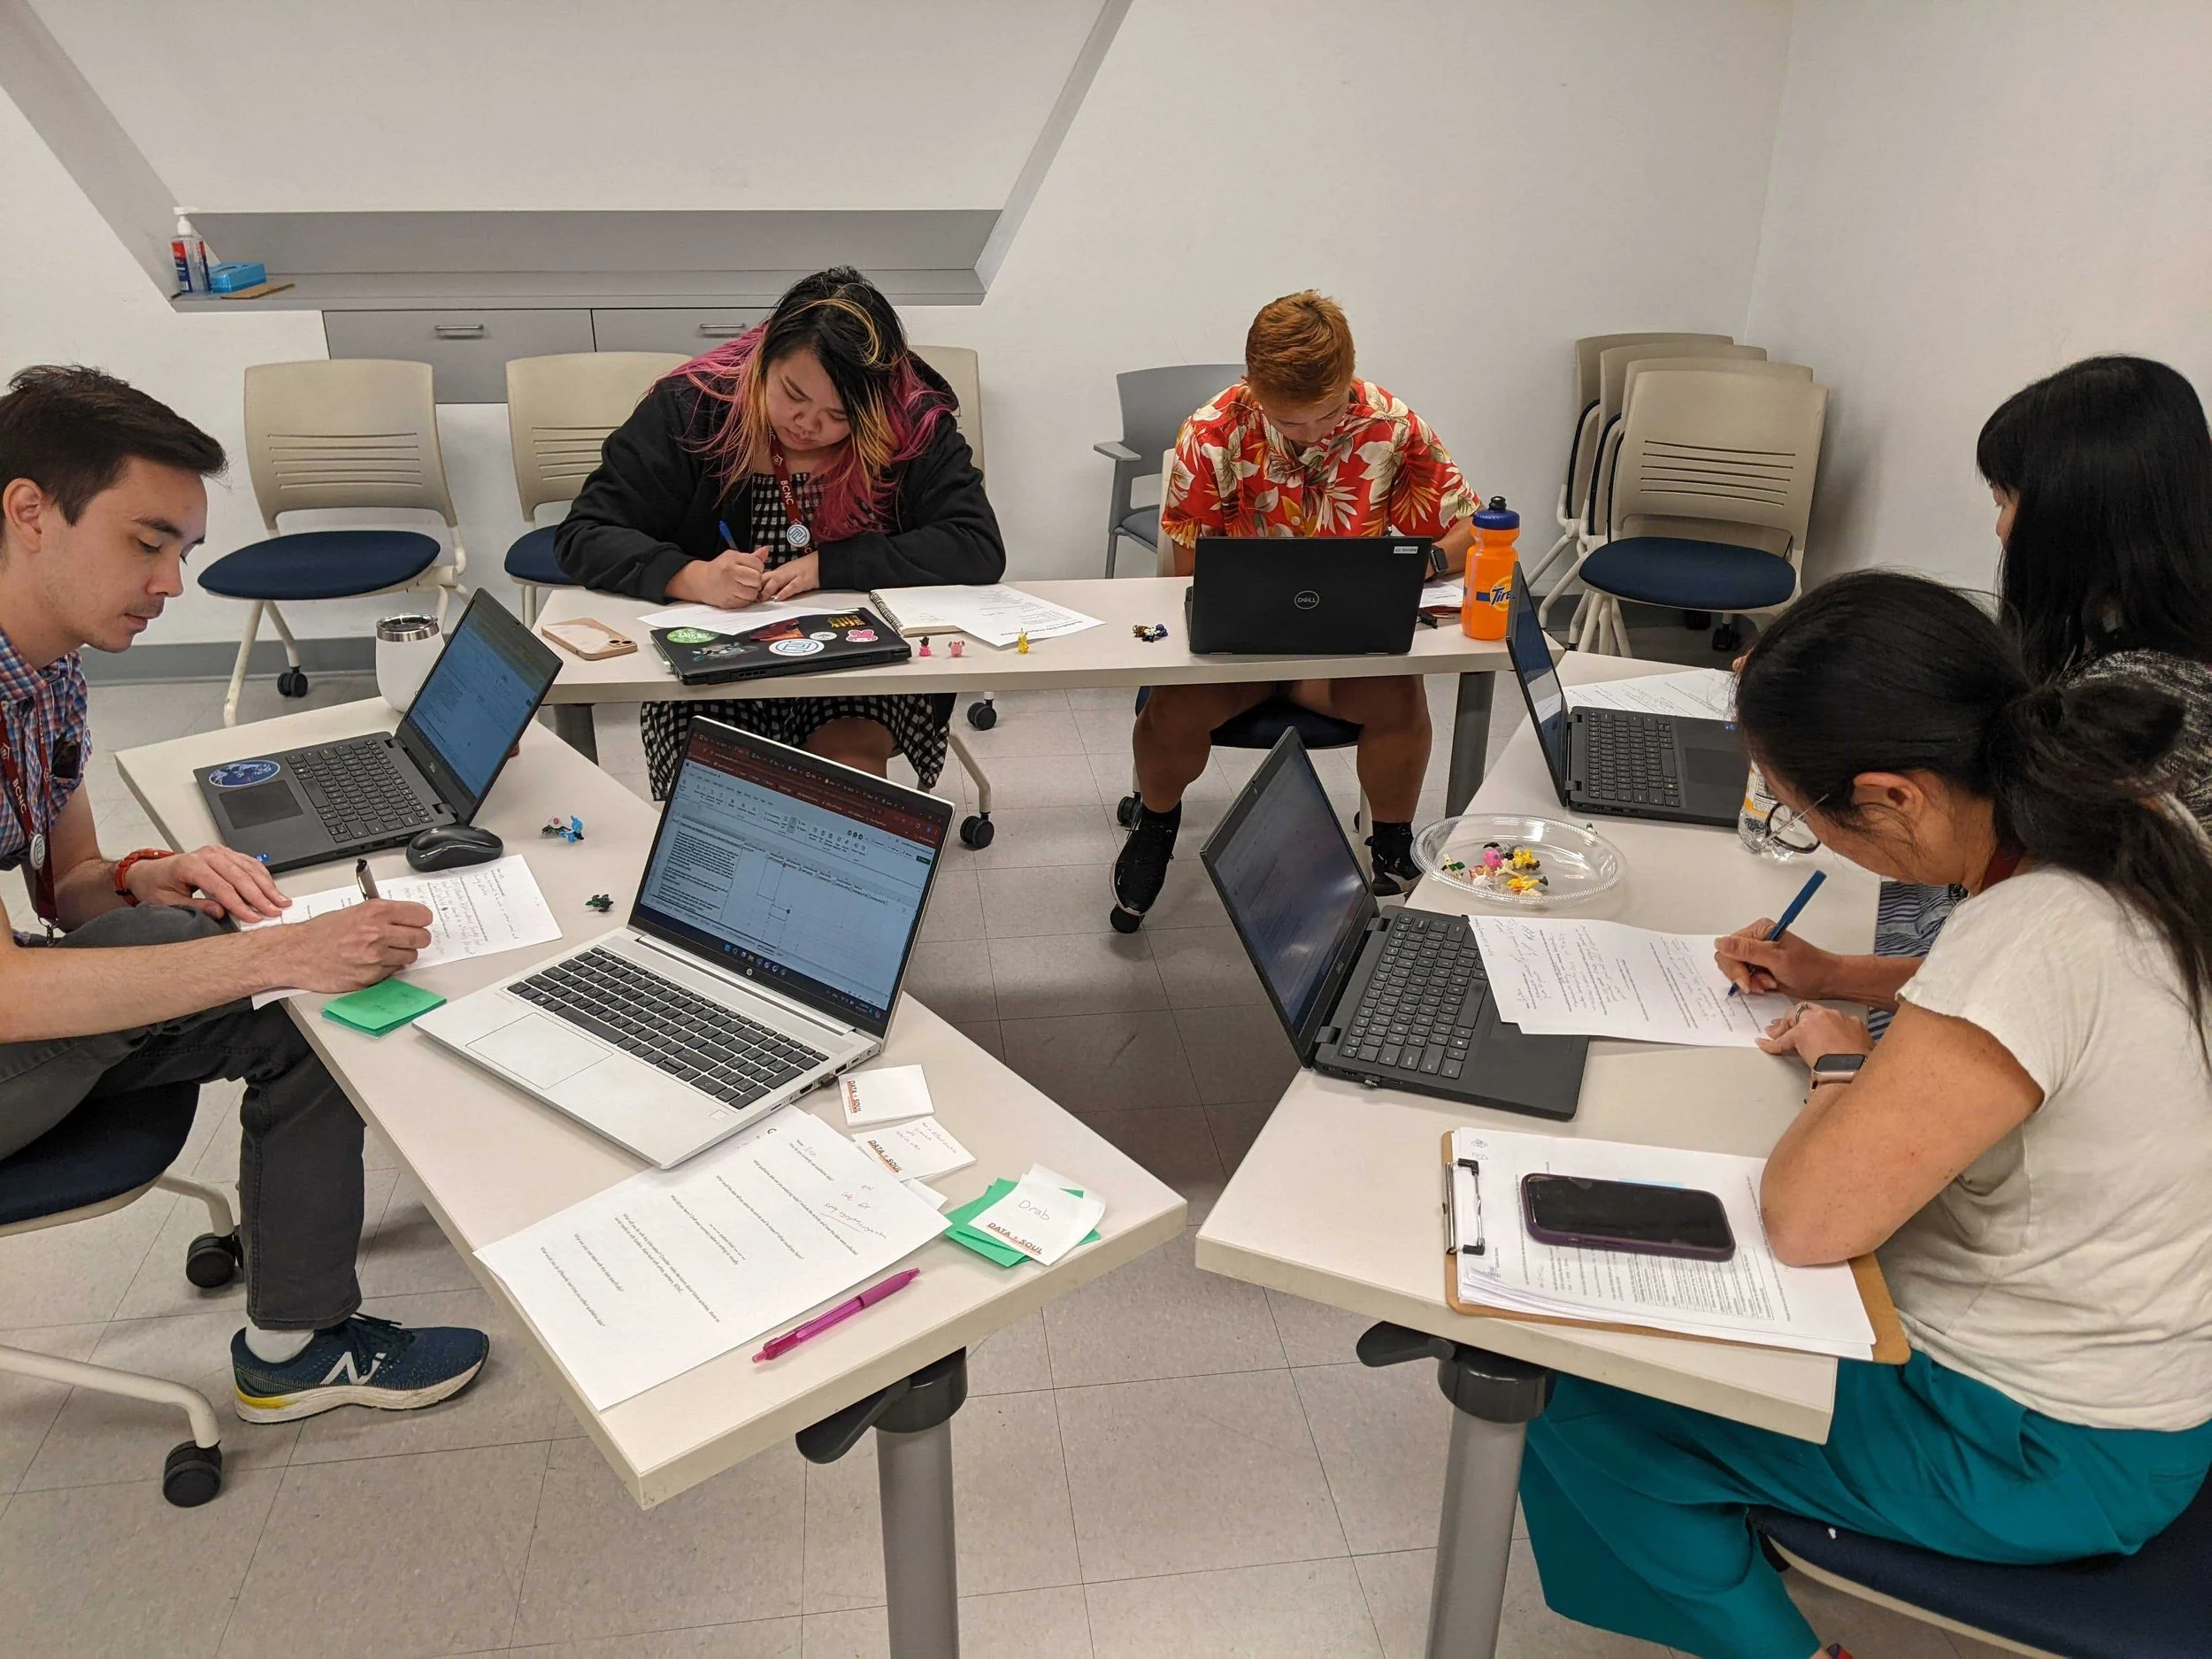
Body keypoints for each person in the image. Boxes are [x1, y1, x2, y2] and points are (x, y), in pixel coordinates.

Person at [1526, 572, 2212, 1659]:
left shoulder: (2037, 929)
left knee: (1589, 1399)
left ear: (1893, 796)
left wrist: (1843, 1069)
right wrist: (1846, 977)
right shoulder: (2130, 818)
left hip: (2043, 1445)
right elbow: (2048, 1005)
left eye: (1805, 820)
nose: (1823, 846)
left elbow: (1808, 1221)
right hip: (2139, 1381)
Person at [0, 365, 488, 1419]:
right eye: (147, 543)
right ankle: (306, 1335)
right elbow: (8, 996)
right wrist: (276, 954)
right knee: (262, 971)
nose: (173, 583)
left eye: (185, 550)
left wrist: (147, 873)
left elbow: (68, 892)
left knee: (242, 974)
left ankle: (293, 1339)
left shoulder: (46, 667)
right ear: (30, 511)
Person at [1722, 355, 2212, 1012]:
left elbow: (2020, 980)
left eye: (2007, 499)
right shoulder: (2110, 634)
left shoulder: (2142, 704)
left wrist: (1838, 1057)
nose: (2001, 526)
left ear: (2074, 517)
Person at [1109, 291, 1481, 931]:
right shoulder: (1210, 434)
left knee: (1400, 699)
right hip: (1238, 652)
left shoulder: (1391, 424)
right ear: (1254, 385)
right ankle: (1157, 821)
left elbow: (1469, 528)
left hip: (1341, 649)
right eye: (1291, 422)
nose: (1314, 435)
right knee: (1170, 710)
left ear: (1348, 377)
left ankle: (1391, 843)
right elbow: (1189, 578)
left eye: (1329, 414)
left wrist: (1422, 564)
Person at [557, 267, 1003, 799]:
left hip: (856, 661)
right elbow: (584, 533)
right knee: (721, 793)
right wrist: (690, 576)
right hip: (719, 661)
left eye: (839, 415)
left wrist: (829, 566)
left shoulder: (910, 425)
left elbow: (974, 545)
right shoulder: (694, 409)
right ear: (764, 355)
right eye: (793, 394)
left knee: (847, 778)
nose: (806, 425)